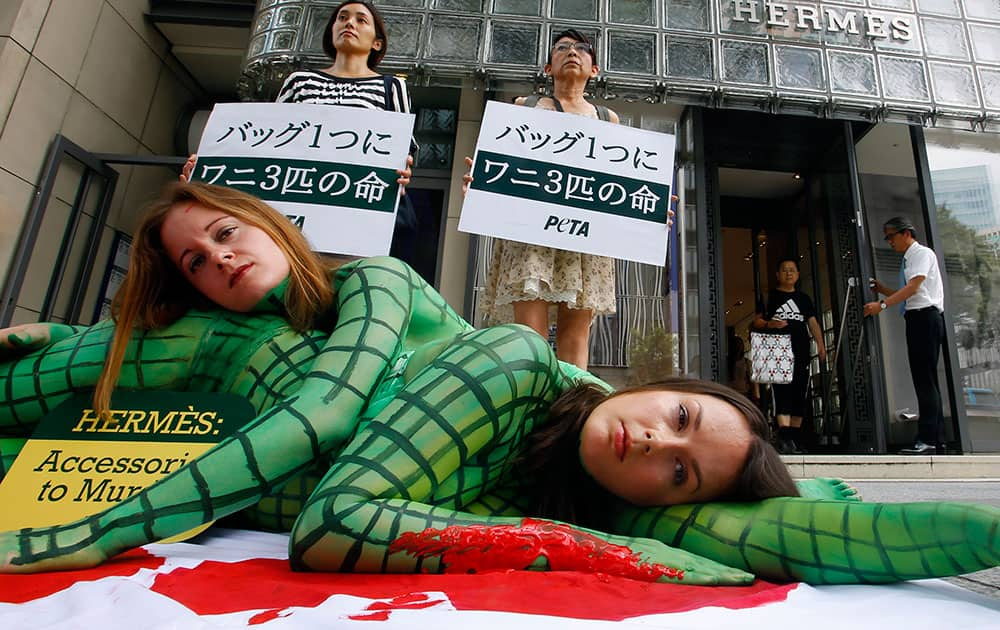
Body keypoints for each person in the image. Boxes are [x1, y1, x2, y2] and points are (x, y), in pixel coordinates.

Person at [2, 184, 1000, 586]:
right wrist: (92, 531)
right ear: (671, 384)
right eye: (681, 418)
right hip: (212, 424)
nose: (657, 447)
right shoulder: (492, 350)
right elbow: (331, 462)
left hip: (197, 452)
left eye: (680, 475)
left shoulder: (609, 466)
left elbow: (810, 531)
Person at [181, 0, 417, 261]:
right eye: (342, 18)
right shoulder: (300, 81)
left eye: (361, 20)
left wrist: (403, 169)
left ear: (377, 42)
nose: (349, 23)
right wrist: (209, 166)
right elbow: (270, 142)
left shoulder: (392, 86)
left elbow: (402, 146)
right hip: (297, 205)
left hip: (354, 211)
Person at [476, 29, 620, 370]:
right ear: (547, 66)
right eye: (562, 48)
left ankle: (569, 416)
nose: (572, 52)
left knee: (576, 336)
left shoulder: (606, 118)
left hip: (584, 233)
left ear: (594, 69)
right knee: (529, 333)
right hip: (531, 230)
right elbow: (503, 165)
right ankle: (532, 414)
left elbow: (616, 180)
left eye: (582, 49)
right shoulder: (522, 107)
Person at [864, 217, 946, 455]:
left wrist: (882, 305)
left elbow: (914, 288)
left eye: (891, 236)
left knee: (925, 380)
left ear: (906, 233)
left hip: (925, 318)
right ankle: (935, 439)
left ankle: (929, 439)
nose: (889, 241)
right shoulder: (910, 257)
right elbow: (910, 293)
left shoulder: (920, 253)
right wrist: (883, 290)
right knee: (926, 379)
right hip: (919, 316)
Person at [753, 257, 827, 454]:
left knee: (799, 393)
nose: (788, 273)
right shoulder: (770, 297)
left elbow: (813, 323)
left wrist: (821, 345)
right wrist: (770, 324)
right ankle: (785, 438)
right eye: (784, 270)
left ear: (798, 275)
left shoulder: (804, 299)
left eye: (792, 270)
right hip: (778, 354)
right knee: (781, 393)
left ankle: (795, 438)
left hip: (801, 351)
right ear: (777, 274)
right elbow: (757, 322)